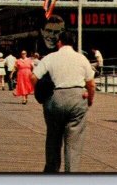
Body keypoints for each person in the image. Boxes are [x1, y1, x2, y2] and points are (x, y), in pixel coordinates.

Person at [31, 31, 95, 173]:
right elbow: (91, 84)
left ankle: (51, 173)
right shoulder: (82, 58)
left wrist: (41, 95)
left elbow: (33, 77)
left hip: (55, 99)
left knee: (53, 138)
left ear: (59, 42)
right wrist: (89, 100)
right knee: (74, 143)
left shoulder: (50, 57)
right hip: (77, 99)